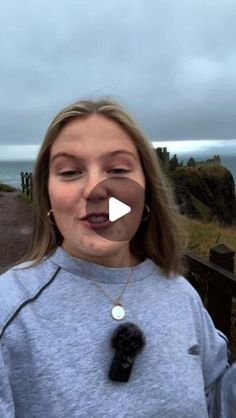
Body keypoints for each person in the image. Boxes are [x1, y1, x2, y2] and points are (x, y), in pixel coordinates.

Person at [0, 98, 235, 418]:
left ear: (146, 192)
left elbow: (218, 397)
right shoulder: (10, 310)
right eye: (70, 171)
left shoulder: (181, 293)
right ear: (48, 198)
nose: (97, 189)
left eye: (119, 169)